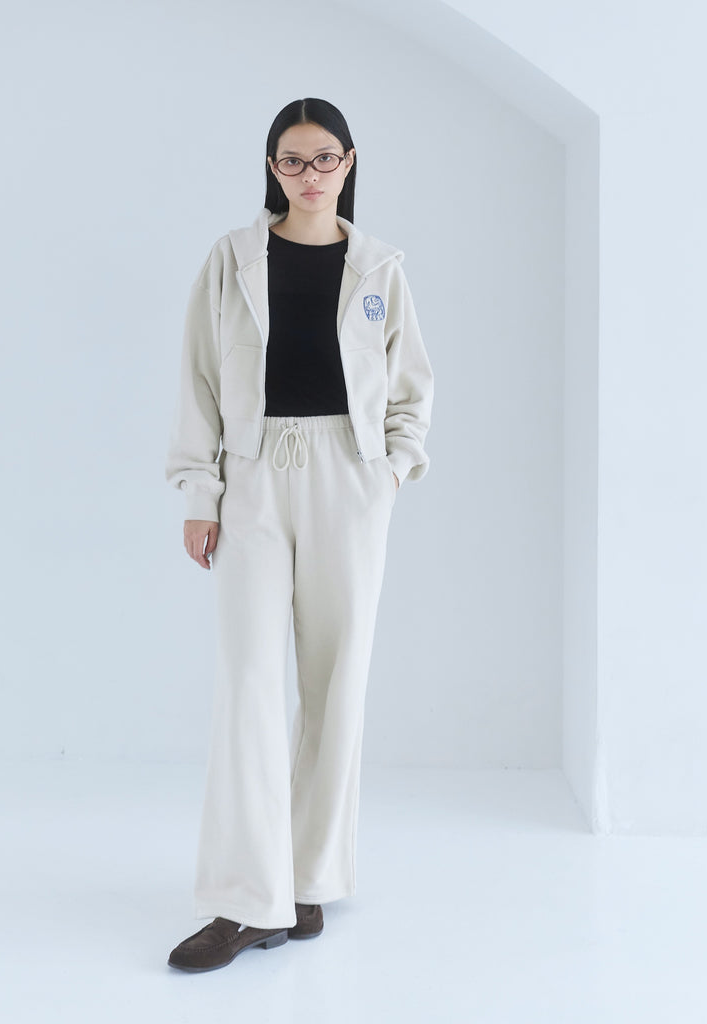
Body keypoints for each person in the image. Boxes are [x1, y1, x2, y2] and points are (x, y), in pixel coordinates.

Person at [164, 97, 433, 973]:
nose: (309, 174)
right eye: (292, 160)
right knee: (248, 683)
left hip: (348, 479)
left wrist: (391, 471)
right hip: (252, 474)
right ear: (271, 167)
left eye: (324, 158)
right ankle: (245, 900)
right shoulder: (232, 258)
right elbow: (199, 379)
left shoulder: (380, 267)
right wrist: (199, 491)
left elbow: (411, 388)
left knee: (335, 682)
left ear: (348, 163)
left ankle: (309, 882)